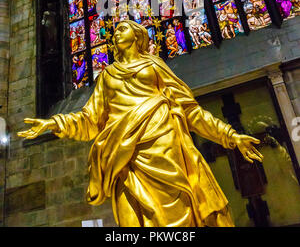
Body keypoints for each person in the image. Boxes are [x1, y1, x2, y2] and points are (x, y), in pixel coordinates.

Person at [18, 20, 263, 227]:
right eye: (115, 31)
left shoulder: (154, 65)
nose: (116, 33)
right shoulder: (107, 76)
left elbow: (190, 111)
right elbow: (90, 120)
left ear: (137, 35)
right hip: (124, 159)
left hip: (164, 151)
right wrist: (53, 124)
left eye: (122, 28)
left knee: (177, 220)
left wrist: (230, 136)